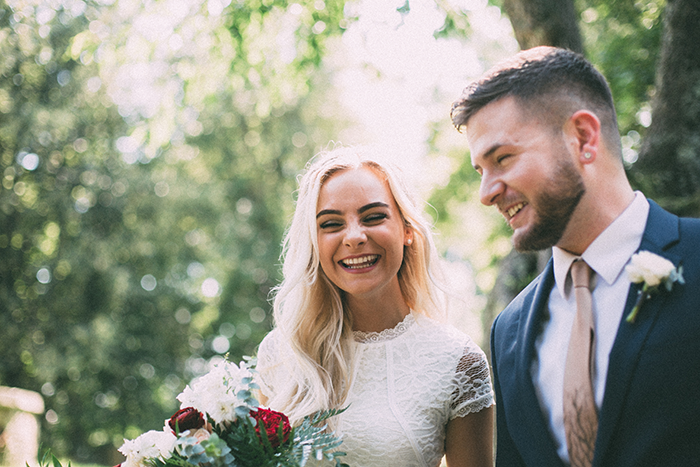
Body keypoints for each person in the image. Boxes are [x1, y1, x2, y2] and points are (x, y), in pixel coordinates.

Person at [450, 46, 700, 467]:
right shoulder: (508, 330)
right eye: (480, 170)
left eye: (503, 159)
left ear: (583, 137)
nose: (486, 192)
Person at [256, 146, 494, 467]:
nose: (354, 237)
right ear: (313, 241)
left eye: (373, 217)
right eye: (330, 224)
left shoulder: (459, 362)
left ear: (407, 230)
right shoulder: (280, 355)